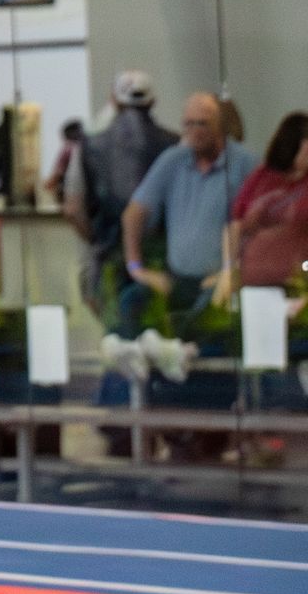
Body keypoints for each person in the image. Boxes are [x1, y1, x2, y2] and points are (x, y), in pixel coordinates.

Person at [106, 92, 255, 384]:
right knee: (132, 299)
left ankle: (172, 358)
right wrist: (137, 268)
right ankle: (132, 361)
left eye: (203, 123)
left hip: (221, 278)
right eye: (188, 124)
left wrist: (233, 269)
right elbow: (133, 215)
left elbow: (253, 225)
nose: (194, 131)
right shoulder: (173, 160)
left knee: (211, 310)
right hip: (177, 277)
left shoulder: (244, 164)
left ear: (220, 125)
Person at [63, 71, 178, 318]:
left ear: (113, 100)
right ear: (152, 102)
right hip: (160, 261)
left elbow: (72, 209)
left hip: (108, 259)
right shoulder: (174, 145)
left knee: (118, 338)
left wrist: (97, 239)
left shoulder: (88, 146)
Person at [227, 113, 308, 299]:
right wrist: (229, 270)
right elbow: (237, 223)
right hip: (254, 280)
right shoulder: (261, 177)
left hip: (295, 283)